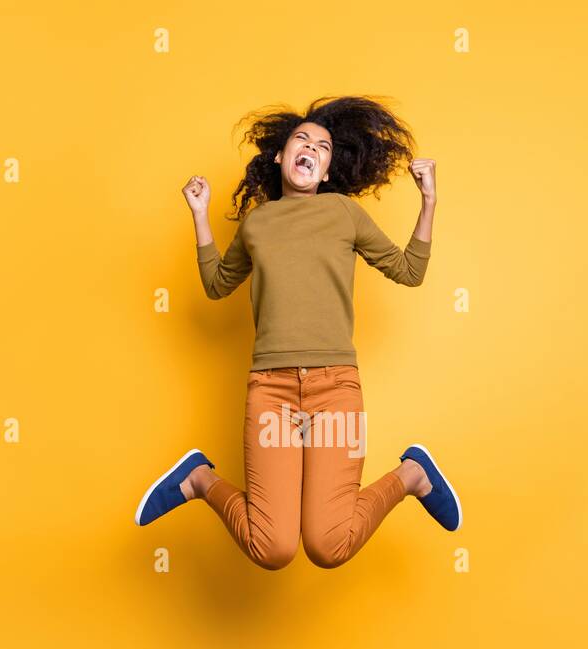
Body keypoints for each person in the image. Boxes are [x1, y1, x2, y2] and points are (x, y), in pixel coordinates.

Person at [135, 95, 461, 570]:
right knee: (273, 549)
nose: (311, 149)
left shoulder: (343, 213)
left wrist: (430, 199)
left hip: (335, 389)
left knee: (329, 546)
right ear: (280, 158)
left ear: (327, 171)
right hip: (272, 393)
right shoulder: (257, 223)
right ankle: (200, 480)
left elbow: (409, 271)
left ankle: (412, 476)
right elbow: (215, 285)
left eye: (322, 147)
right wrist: (200, 215)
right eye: (301, 141)